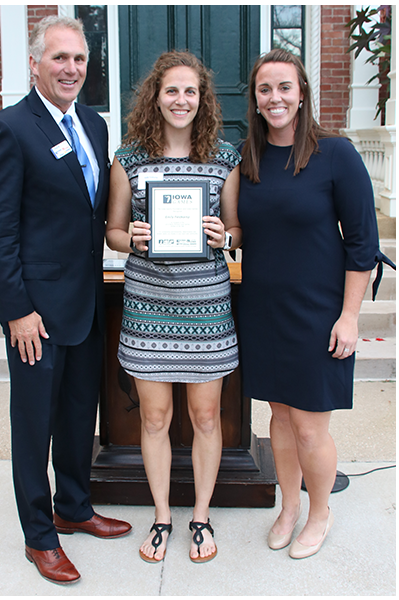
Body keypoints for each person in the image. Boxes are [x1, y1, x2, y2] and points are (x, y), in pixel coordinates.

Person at [0, 15, 131, 585]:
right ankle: (38, 535)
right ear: (35, 63)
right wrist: (16, 309)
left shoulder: (92, 123)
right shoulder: (10, 129)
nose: (71, 69)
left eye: (80, 59)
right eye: (60, 58)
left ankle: (74, 507)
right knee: (33, 422)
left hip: (86, 303)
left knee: (75, 415)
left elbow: (94, 212)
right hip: (35, 313)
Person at [236, 49, 381, 560]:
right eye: (264, 90)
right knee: (277, 416)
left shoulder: (335, 154)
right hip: (262, 310)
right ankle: (289, 506)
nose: (274, 98)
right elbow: (238, 230)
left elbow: (363, 242)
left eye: (284, 88)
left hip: (319, 312)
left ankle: (320, 511)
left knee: (309, 424)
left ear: (302, 94)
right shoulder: (247, 158)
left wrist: (349, 316)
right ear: (254, 100)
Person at [105, 50, 242, 564]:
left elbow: (238, 230)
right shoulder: (129, 159)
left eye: (191, 91)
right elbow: (113, 230)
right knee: (155, 419)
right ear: (155, 98)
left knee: (207, 418)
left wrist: (223, 234)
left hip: (206, 306)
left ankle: (201, 516)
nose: (181, 100)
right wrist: (132, 239)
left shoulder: (225, 157)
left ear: (202, 98)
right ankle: (163, 515)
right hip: (148, 306)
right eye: (171, 91)